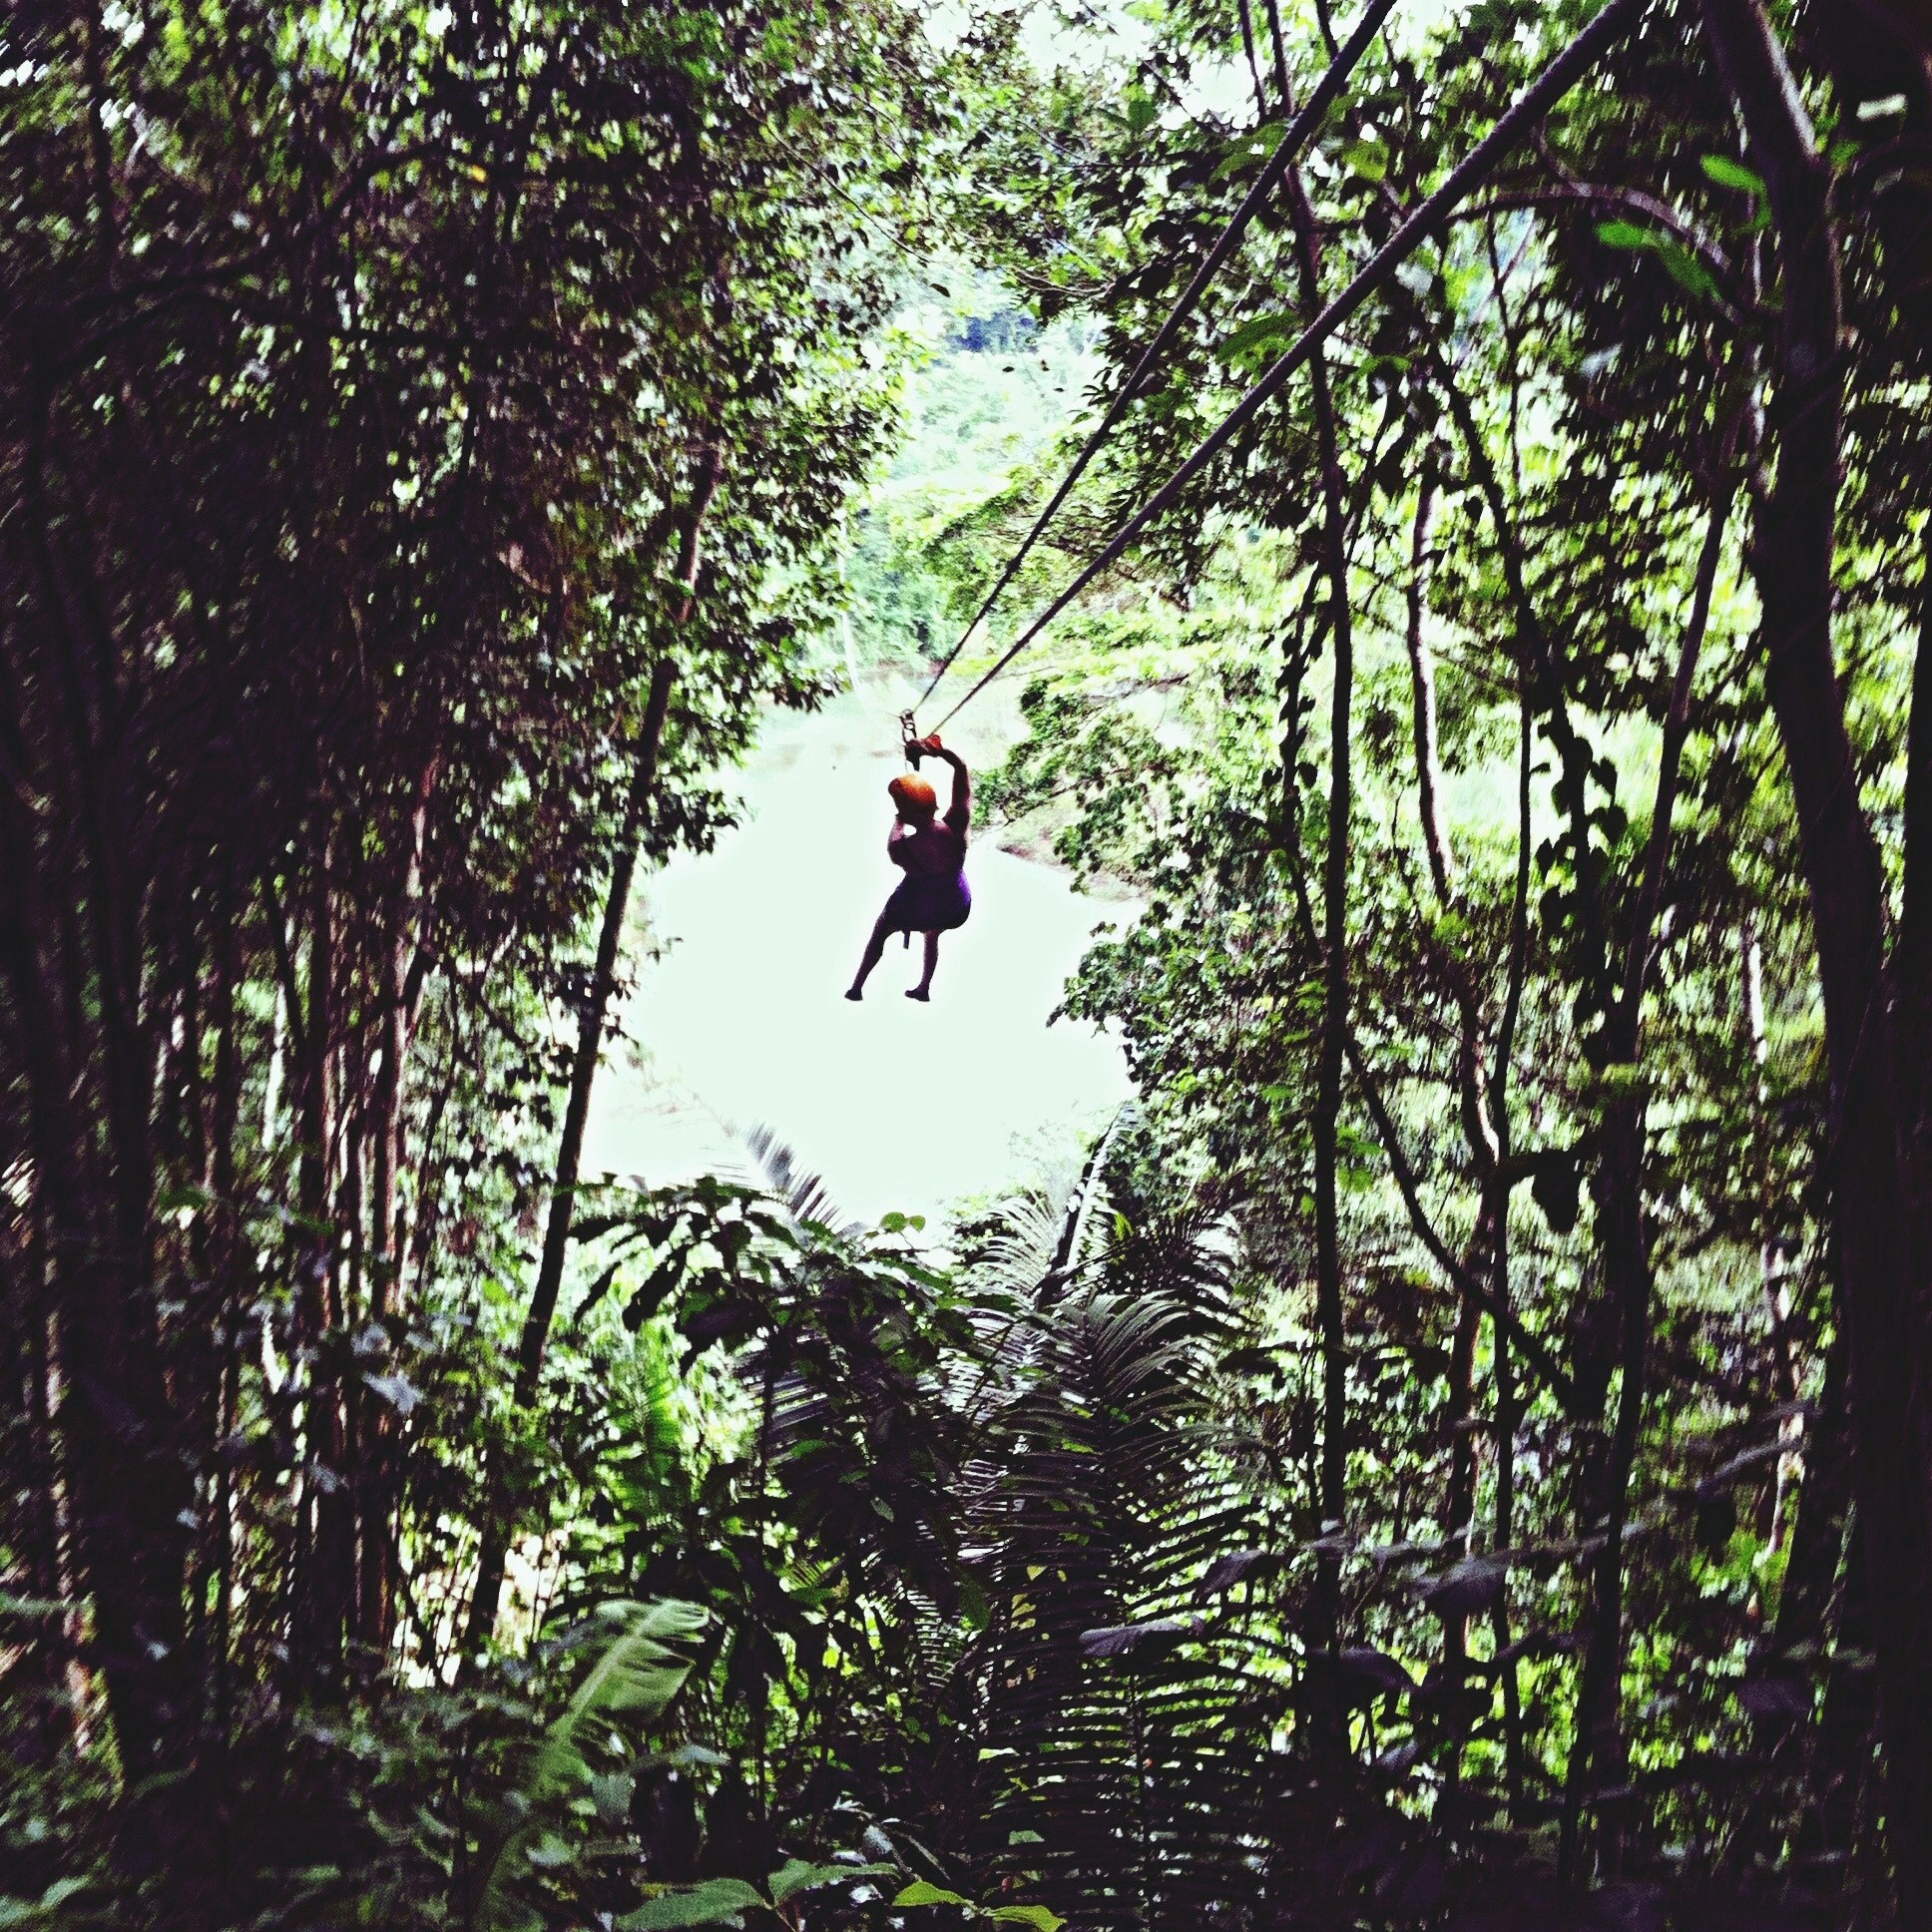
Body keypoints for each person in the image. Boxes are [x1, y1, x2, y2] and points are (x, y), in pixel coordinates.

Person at [845, 733, 971, 1002]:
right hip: (954, 904)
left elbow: (894, 841)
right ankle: (924, 987)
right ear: (935, 803)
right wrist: (938, 752)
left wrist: (899, 820)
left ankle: (857, 987)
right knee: (933, 932)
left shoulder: (902, 847)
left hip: (918, 904)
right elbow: (961, 769)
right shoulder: (957, 823)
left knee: (881, 929)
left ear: (904, 811)